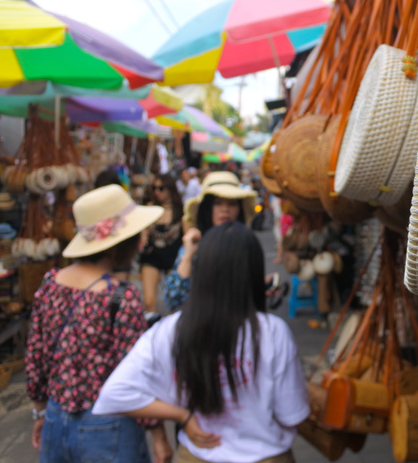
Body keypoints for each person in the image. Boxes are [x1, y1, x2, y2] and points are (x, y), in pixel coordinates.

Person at [93, 222, 310, 463]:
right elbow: (292, 413)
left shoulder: (172, 329)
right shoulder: (272, 332)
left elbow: (114, 394)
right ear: (253, 270)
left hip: (197, 454)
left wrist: (182, 416)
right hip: (266, 455)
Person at [25, 185, 172, 463]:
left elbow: (36, 355)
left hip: (56, 418)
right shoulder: (120, 296)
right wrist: (159, 436)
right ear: (122, 243)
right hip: (109, 425)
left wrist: (40, 412)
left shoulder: (50, 283)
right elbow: (136, 375)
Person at [162, 171, 257, 312]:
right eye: (217, 203)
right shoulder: (195, 244)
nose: (225, 209)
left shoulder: (247, 244)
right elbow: (173, 299)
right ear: (207, 208)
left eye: (232, 203)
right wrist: (188, 255)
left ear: (239, 209)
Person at [138, 174, 184, 315]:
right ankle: (152, 328)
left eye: (161, 188)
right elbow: (143, 232)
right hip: (152, 256)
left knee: (175, 302)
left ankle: (172, 332)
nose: (157, 192)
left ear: (170, 189)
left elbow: (187, 235)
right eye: (154, 188)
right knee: (149, 302)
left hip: (173, 257)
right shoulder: (150, 209)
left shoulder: (180, 210)